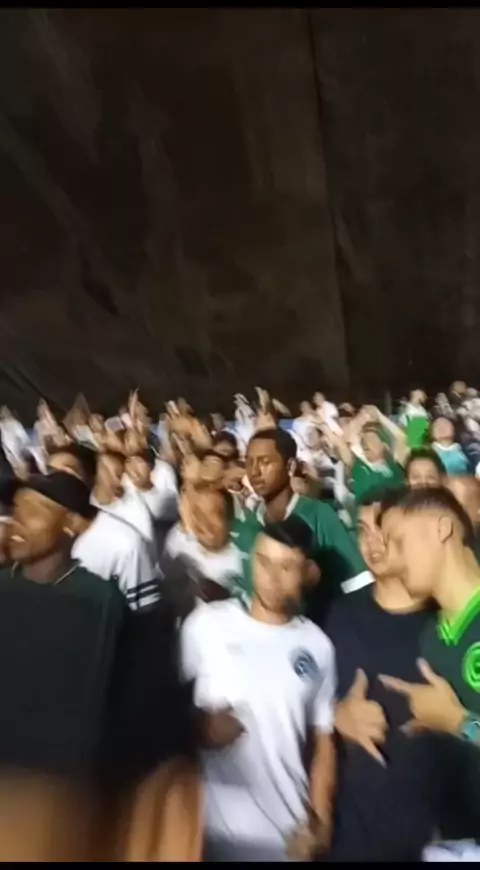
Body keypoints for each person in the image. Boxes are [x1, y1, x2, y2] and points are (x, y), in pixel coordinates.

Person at [180, 516, 336, 862]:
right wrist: (197, 727)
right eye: (264, 561)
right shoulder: (205, 625)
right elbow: (160, 714)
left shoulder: (318, 646)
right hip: (208, 840)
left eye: (286, 567)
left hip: (286, 843)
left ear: (307, 573)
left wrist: (321, 823)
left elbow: (323, 743)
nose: (272, 577)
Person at [323, 488, 441, 861]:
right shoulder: (337, 614)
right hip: (352, 836)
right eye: (362, 530)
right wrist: (334, 715)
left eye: (382, 529)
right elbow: (306, 705)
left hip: (440, 839)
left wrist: (457, 721)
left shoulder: (450, 619)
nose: (372, 542)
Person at [233, 428, 370, 623]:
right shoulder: (248, 524)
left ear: (290, 467)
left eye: (265, 462)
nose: (254, 472)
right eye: (249, 462)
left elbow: (357, 582)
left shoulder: (319, 515)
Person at [72, 451, 159, 611]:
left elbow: (147, 555)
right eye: (106, 471)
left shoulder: (135, 508)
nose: (113, 479)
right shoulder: (83, 504)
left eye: (118, 474)